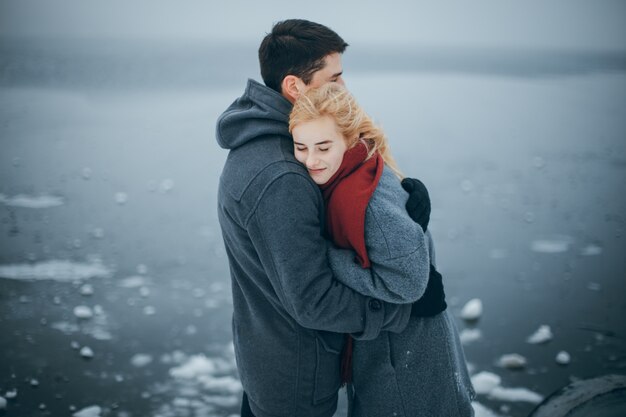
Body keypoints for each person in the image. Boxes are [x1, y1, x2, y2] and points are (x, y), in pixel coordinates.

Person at [215, 19, 445, 417]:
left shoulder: (270, 139)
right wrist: (403, 310)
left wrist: (394, 199)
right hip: (295, 376)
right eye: (334, 79)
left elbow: (311, 234)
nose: (344, 90)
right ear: (294, 87)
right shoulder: (282, 175)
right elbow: (313, 299)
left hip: (270, 351)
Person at [289, 83, 475, 416]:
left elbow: (410, 282)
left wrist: (327, 258)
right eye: (300, 147)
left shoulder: (364, 202)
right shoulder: (353, 174)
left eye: (323, 147)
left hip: (408, 362)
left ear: (348, 140)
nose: (311, 160)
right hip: (398, 353)